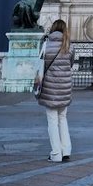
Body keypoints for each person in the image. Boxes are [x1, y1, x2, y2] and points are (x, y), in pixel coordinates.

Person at [38, 18, 75, 163]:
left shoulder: (46, 46)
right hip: (64, 88)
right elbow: (70, 64)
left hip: (50, 89)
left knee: (52, 121)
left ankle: (55, 153)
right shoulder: (69, 46)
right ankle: (66, 151)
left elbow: (41, 64)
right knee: (63, 119)